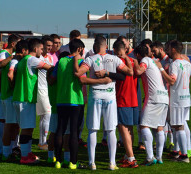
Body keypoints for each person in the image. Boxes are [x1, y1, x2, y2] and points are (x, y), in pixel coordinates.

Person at [50, 39, 111, 169]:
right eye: (83, 49)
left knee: (59, 130)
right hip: (75, 101)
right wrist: (102, 81)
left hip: (61, 100)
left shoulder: (60, 61)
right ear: (79, 49)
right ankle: (73, 162)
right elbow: (83, 80)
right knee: (73, 132)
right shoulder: (80, 62)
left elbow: (52, 80)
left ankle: (58, 161)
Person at [74, 36, 133, 170]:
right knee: (111, 129)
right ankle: (112, 163)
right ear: (106, 46)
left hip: (95, 95)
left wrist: (76, 59)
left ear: (95, 47)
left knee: (93, 130)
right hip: (110, 96)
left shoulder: (90, 59)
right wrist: (127, 58)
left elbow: (78, 73)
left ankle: (92, 163)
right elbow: (130, 72)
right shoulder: (115, 59)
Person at [155, 40, 191, 163]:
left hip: (177, 99)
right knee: (180, 125)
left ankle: (184, 156)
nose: (167, 50)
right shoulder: (186, 63)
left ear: (173, 49)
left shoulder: (174, 64)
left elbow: (172, 81)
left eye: (168, 48)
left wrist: (161, 69)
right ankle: (182, 152)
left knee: (179, 127)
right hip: (186, 98)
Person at [12, 38, 52, 164]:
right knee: (27, 128)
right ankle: (25, 157)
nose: (42, 50)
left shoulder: (23, 60)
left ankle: (27, 153)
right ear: (36, 49)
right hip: (26, 99)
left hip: (19, 97)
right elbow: (49, 67)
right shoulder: (32, 59)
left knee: (27, 128)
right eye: (41, 48)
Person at [134, 44, 169, 165]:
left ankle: (150, 157)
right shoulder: (153, 61)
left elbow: (139, 71)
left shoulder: (144, 60)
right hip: (164, 97)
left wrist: (133, 62)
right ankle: (159, 157)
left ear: (138, 55)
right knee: (159, 127)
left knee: (144, 125)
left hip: (154, 97)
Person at [0, 40, 28, 161]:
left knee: (14, 125)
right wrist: (13, 86)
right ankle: (6, 154)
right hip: (10, 96)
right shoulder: (15, 60)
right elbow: (10, 75)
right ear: (23, 50)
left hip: (9, 96)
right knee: (9, 125)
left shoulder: (15, 60)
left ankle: (11, 150)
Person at [113, 41, 139, 168]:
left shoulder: (119, 62)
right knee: (129, 129)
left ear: (116, 50)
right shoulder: (133, 61)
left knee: (123, 128)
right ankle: (128, 155)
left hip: (123, 98)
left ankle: (131, 158)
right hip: (133, 98)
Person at [151, 41, 175, 151]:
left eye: (154, 50)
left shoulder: (169, 61)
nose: (153, 52)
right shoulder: (158, 61)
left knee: (171, 121)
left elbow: (172, 79)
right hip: (161, 94)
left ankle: (173, 143)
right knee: (162, 120)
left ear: (161, 49)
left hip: (170, 94)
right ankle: (164, 143)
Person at [36, 35, 54, 150]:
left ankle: (42, 141)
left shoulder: (50, 58)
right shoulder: (37, 58)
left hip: (47, 90)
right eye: (48, 45)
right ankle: (43, 142)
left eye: (51, 46)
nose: (50, 48)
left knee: (45, 116)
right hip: (39, 90)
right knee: (47, 114)